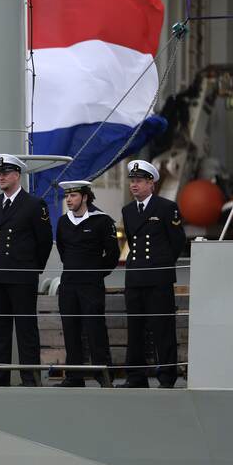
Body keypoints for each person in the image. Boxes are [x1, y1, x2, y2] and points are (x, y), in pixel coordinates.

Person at [0, 154, 53, 386]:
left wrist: (32, 269)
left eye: (6, 173)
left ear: (17, 175)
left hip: (22, 276)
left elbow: (44, 241)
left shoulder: (34, 204)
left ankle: (29, 378)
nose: (1, 177)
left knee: (25, 330)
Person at [117, 160, 186, 388]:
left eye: (138, 181)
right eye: (132, 181)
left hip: (158, 278)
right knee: (135, 329)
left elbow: (177, 242)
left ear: (151, 184)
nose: (134, 185)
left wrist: (161, 266)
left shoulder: (166, 208)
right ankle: (135, 377)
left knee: (162, 329)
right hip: (135, 277)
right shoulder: (127, 211)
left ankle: (166, 377)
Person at [54, 180, 120, 387]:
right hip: (69, 283)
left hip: (91, 285)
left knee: (95, 329)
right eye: (67, 196)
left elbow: (112, 254)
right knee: (70, 329)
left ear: (84, 197)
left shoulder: (101, 221)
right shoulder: (64, 222)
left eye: (73, 196)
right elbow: (63, 251)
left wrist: (95, 273)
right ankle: (74, 376)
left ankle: (103, 375)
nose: (69, 200)